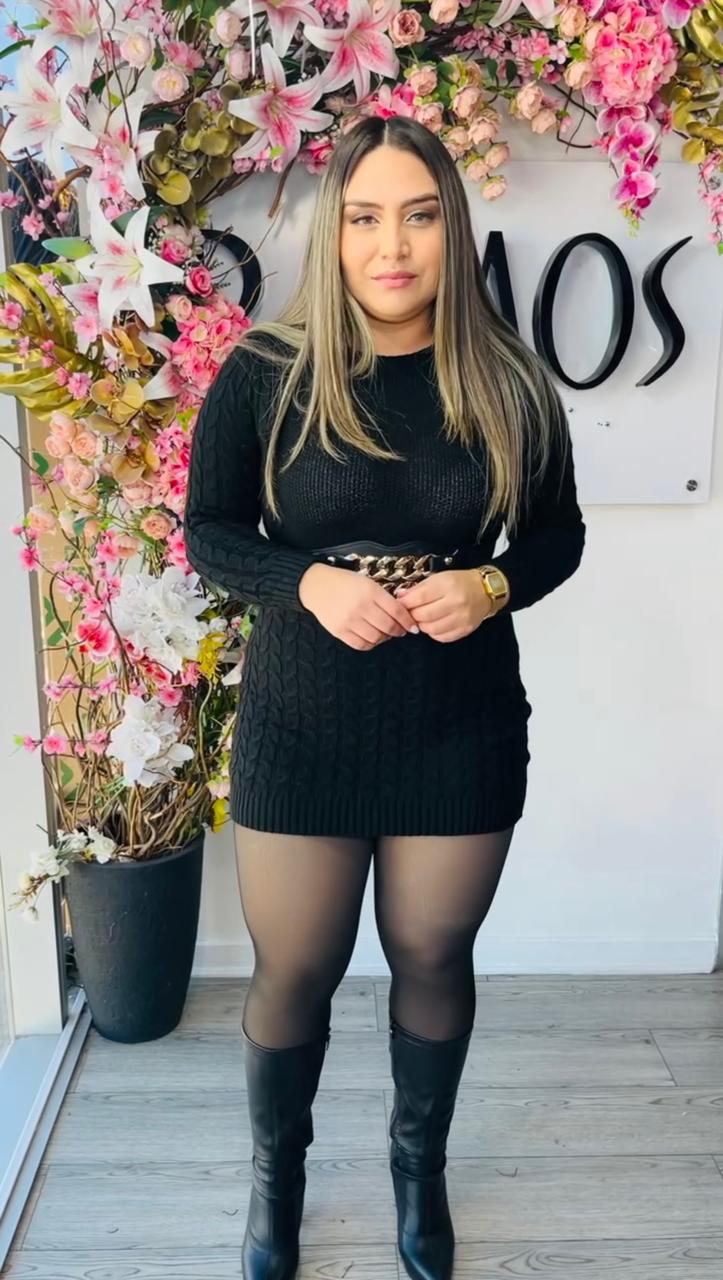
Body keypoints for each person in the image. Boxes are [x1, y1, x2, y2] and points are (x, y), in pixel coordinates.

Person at [183, 115, 586, 1280]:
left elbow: (555, 536)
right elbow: (209, 531)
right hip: (301, 720)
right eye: (365, 217)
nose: (391, 245)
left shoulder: (506, 377)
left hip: (458, 720)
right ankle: (278, 1181)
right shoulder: (266, 372)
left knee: (432, 952)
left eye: (417, 216)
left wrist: (492, 581)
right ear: (336, 232)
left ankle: (419, 1169)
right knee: (294, 970)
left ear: (451, 228)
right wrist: (307, 580)